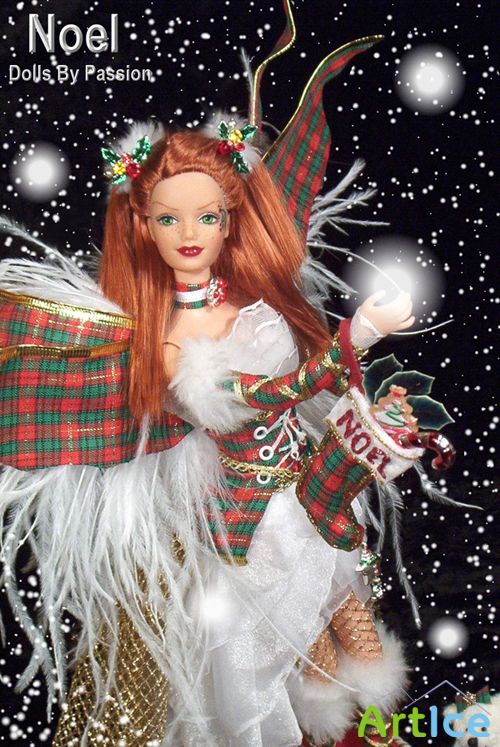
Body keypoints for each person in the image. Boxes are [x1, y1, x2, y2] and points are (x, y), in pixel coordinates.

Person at [0, 119, 419, 746]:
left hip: (309, 488)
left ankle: (354, 729)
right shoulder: (167, 340)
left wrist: (371, 412)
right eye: (169, 219)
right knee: (289, 658)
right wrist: (355, 337)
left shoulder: (255, 298)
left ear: (229, 220)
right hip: (252, 521)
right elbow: (263, 397)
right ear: (145, 226)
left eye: (208, 216)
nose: (189, 234)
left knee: (352, 642)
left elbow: (305, 396)